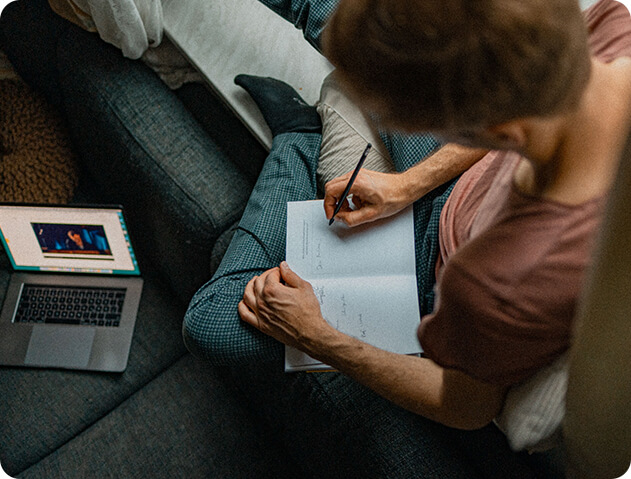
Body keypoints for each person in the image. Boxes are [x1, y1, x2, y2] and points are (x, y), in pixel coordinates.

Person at [185, 0, 631, 433]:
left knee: (212, 324)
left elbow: (466, 406)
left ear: (496, 131)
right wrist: (408, 184)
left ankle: (298, 138)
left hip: (430, 269)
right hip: (458, 185)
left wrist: (315, 335)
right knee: (364, 24)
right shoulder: (613, 29)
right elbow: (521, 105)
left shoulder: (494, 285)